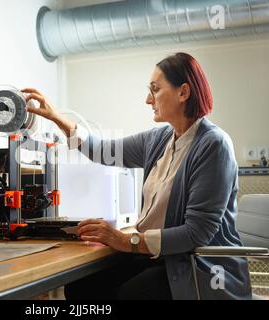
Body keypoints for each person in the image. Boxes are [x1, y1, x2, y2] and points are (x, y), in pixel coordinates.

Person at [22, 52, 251, 300]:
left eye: (155, 89)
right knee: (80, 288)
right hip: (157, 258)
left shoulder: (213, 145)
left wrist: (126, 240)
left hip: (197, 267)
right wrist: (57, 118)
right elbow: (102, 150)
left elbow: (196, 233)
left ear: (183, 92)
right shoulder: (158, 139)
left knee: (125, 295)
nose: (147, 99)